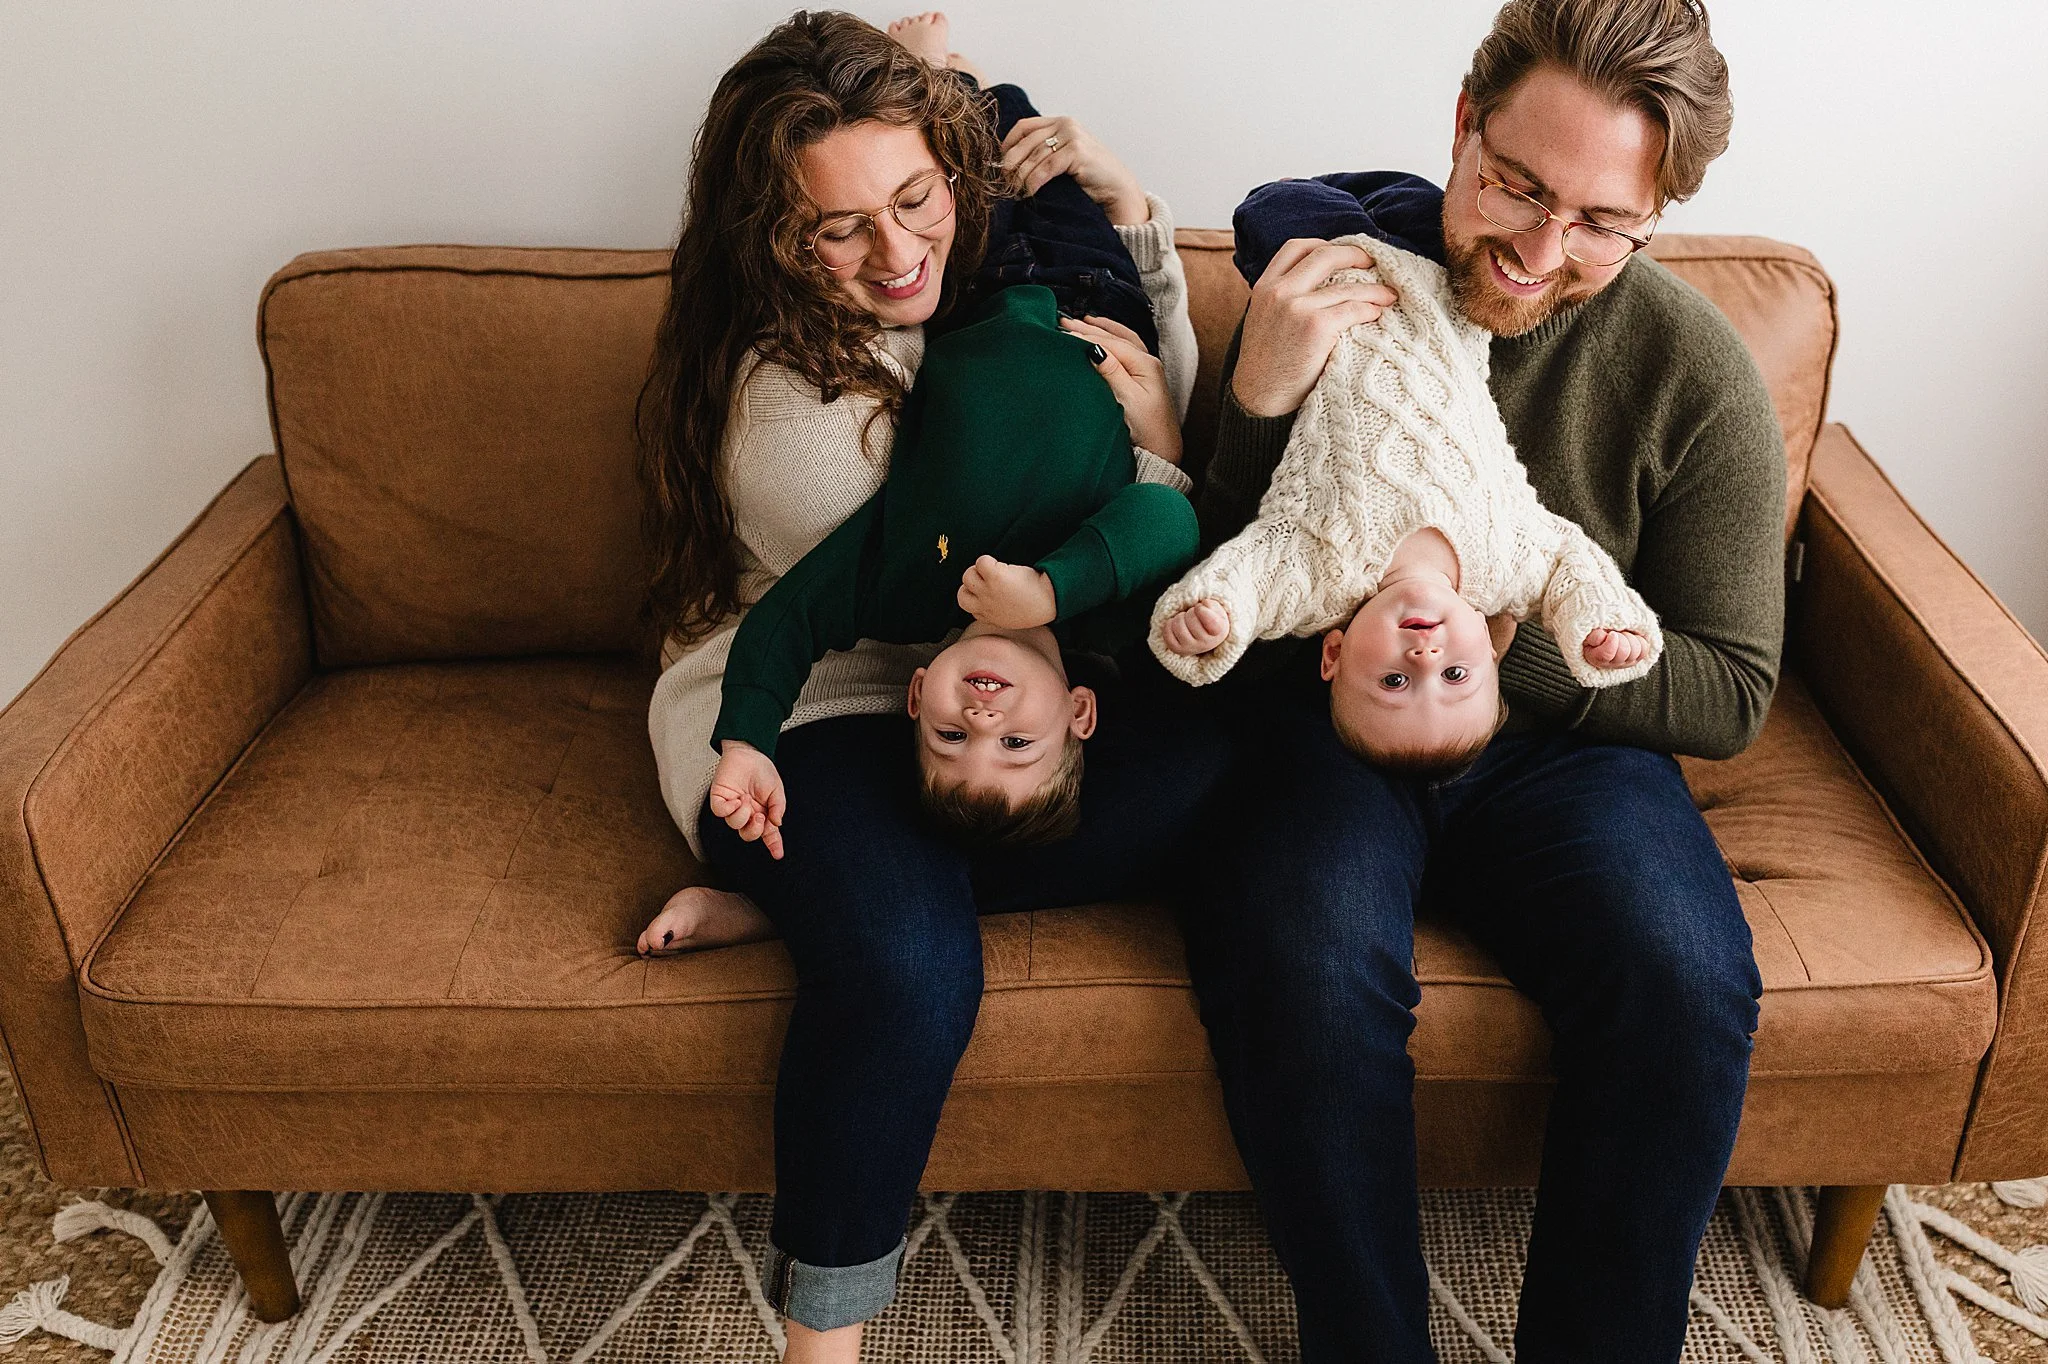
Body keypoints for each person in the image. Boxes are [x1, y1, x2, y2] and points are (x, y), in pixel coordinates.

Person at [1182, 0, 1784, 1358]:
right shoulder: (1335, 289)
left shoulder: (1691, 370)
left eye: (1599, 223)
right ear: (1463, 127)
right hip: (1331, 720)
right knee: (1300, 954)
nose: (1536, 249)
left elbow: (1732, 688)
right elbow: (1223, 591)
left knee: (1685, 980)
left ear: (1654, 216)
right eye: (1516, 184)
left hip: (1565, 751)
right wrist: (1257, 403)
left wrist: (1495, 659)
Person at [637, 12, 1223, 1362]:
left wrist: (1137, 238)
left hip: (996, 680)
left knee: (1240, 759)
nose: (900, 256)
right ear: (770, 240)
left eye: (917, 199)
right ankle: (824, 1338)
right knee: (910, 971)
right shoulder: (788, 409)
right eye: (837, 231)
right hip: (819, 700)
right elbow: (1086, 482)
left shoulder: (965, 273)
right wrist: (1140, 452)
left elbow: (1139, 413)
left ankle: (803, 898)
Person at [703, 284, 1199, 856]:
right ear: (1079, 712)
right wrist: (1051, 591)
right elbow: (1169, 516)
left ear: (915, 696)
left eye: (951, 736)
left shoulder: (900, 596)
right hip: (1093, 297)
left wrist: (747, 743)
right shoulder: (1106, 612)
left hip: (977, 286)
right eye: (1016, 742)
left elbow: (790, 619)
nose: (982, 718)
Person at [1149, 234, 1660, 777]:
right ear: (1491, 648)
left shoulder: (1319, 578)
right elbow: (1569, 561)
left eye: (1394, 682)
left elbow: (1254, 572)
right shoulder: (1508, 567)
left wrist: (1214, 618)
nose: (1424, 660)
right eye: (1456, 677)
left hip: (1330, 282)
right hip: (1443, 295)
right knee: (1414, 206)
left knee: (1278, 213)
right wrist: (1599, 625)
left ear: (1334, 656)